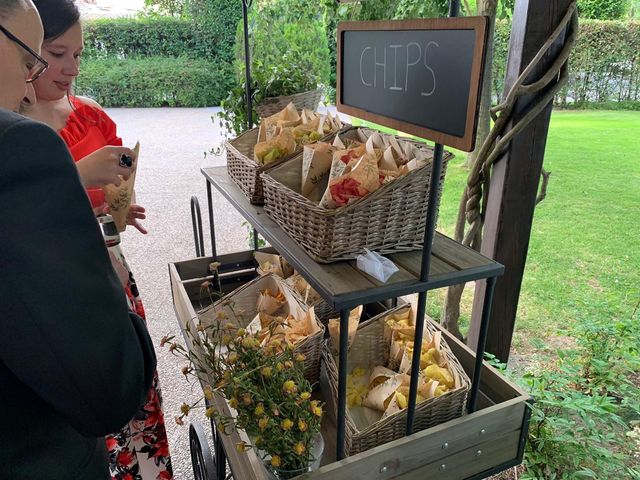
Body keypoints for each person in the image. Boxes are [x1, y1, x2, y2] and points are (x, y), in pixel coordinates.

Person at [0, 0, 157, 479]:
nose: (37, 79)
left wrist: (117, 211)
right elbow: (103, 383)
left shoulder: (88, 115)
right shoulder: (21, 144)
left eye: (76, 55)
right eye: (38, 59)